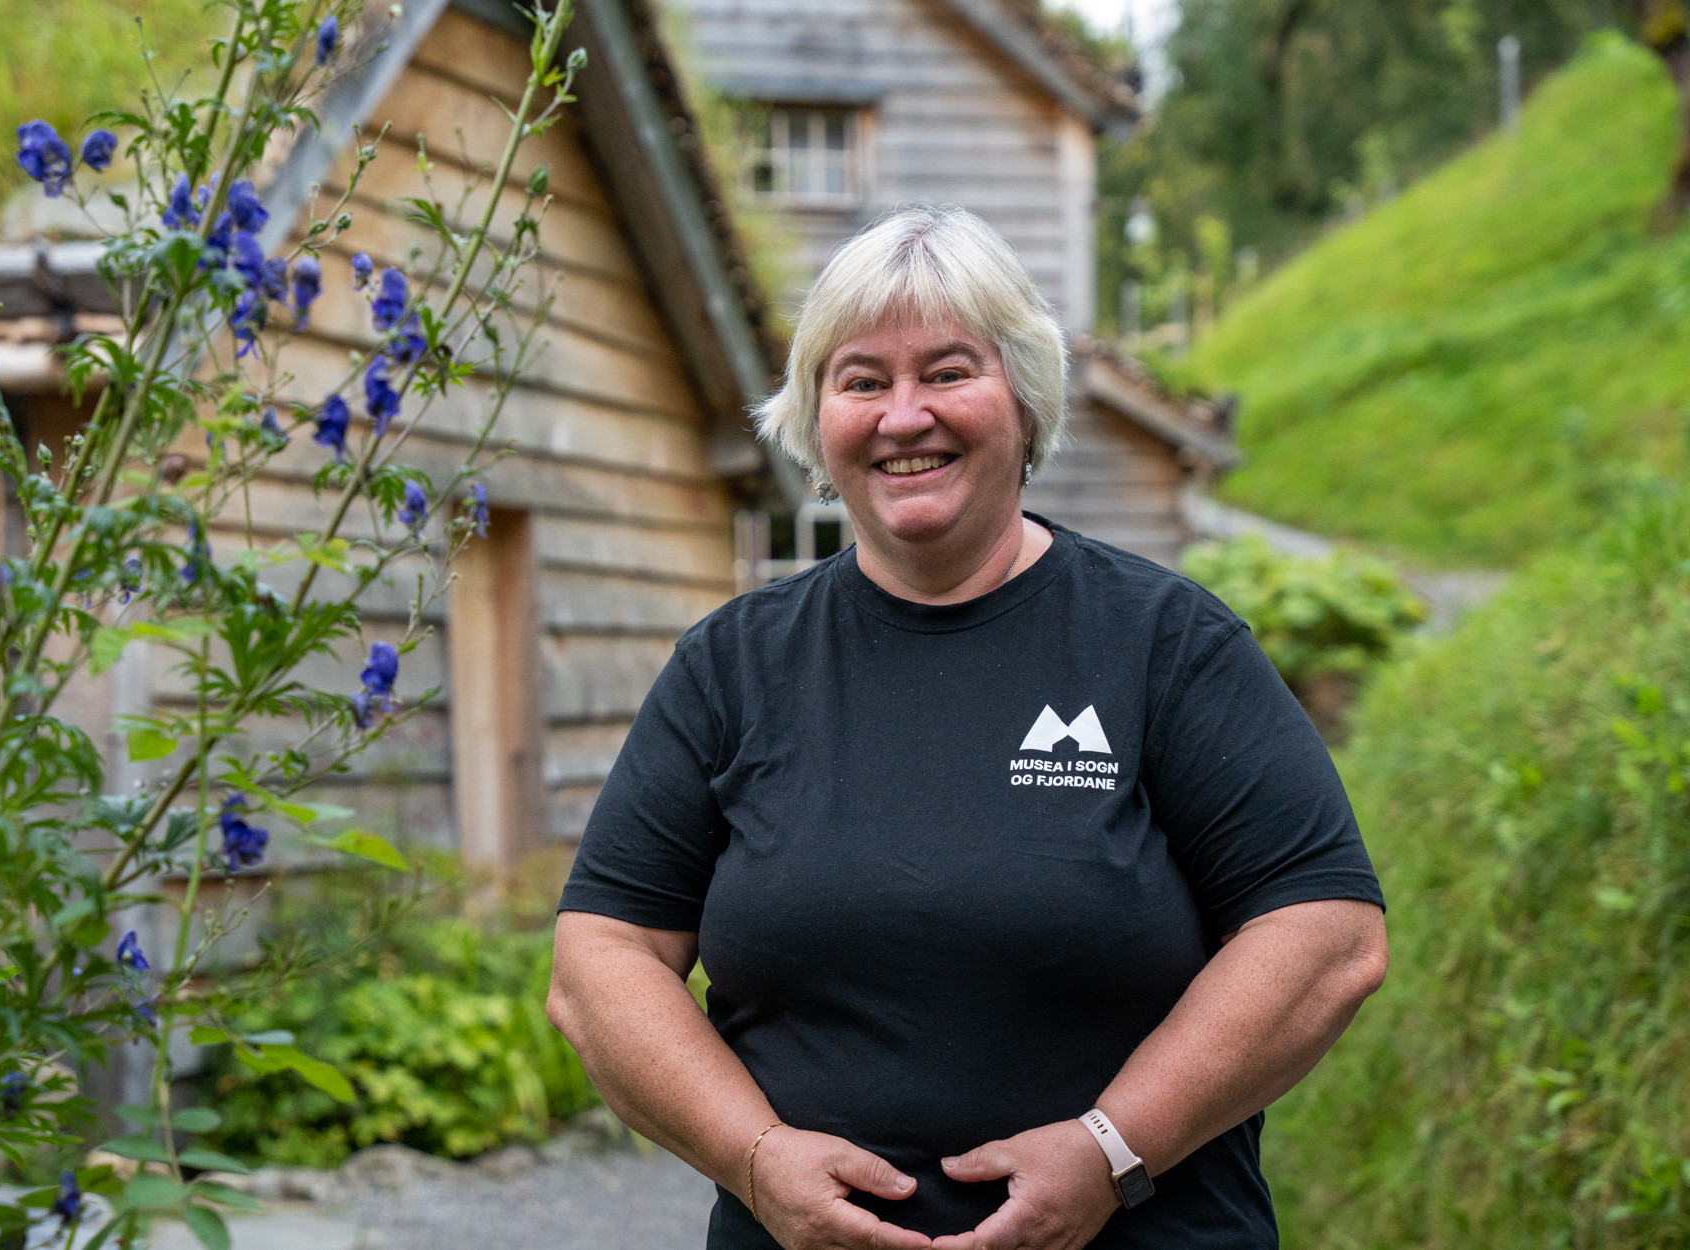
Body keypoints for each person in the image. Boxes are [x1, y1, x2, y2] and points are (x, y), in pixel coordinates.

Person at [547, 205, 1387, 1250]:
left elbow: (1326, 935)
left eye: (947, 372)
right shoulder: (730, 669)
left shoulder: (1165, 645)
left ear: (1024, 404)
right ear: (816, 422)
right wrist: (754, 1156)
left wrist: (1109, 1149)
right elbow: (600, 960)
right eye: (860, 381)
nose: (904, 416)